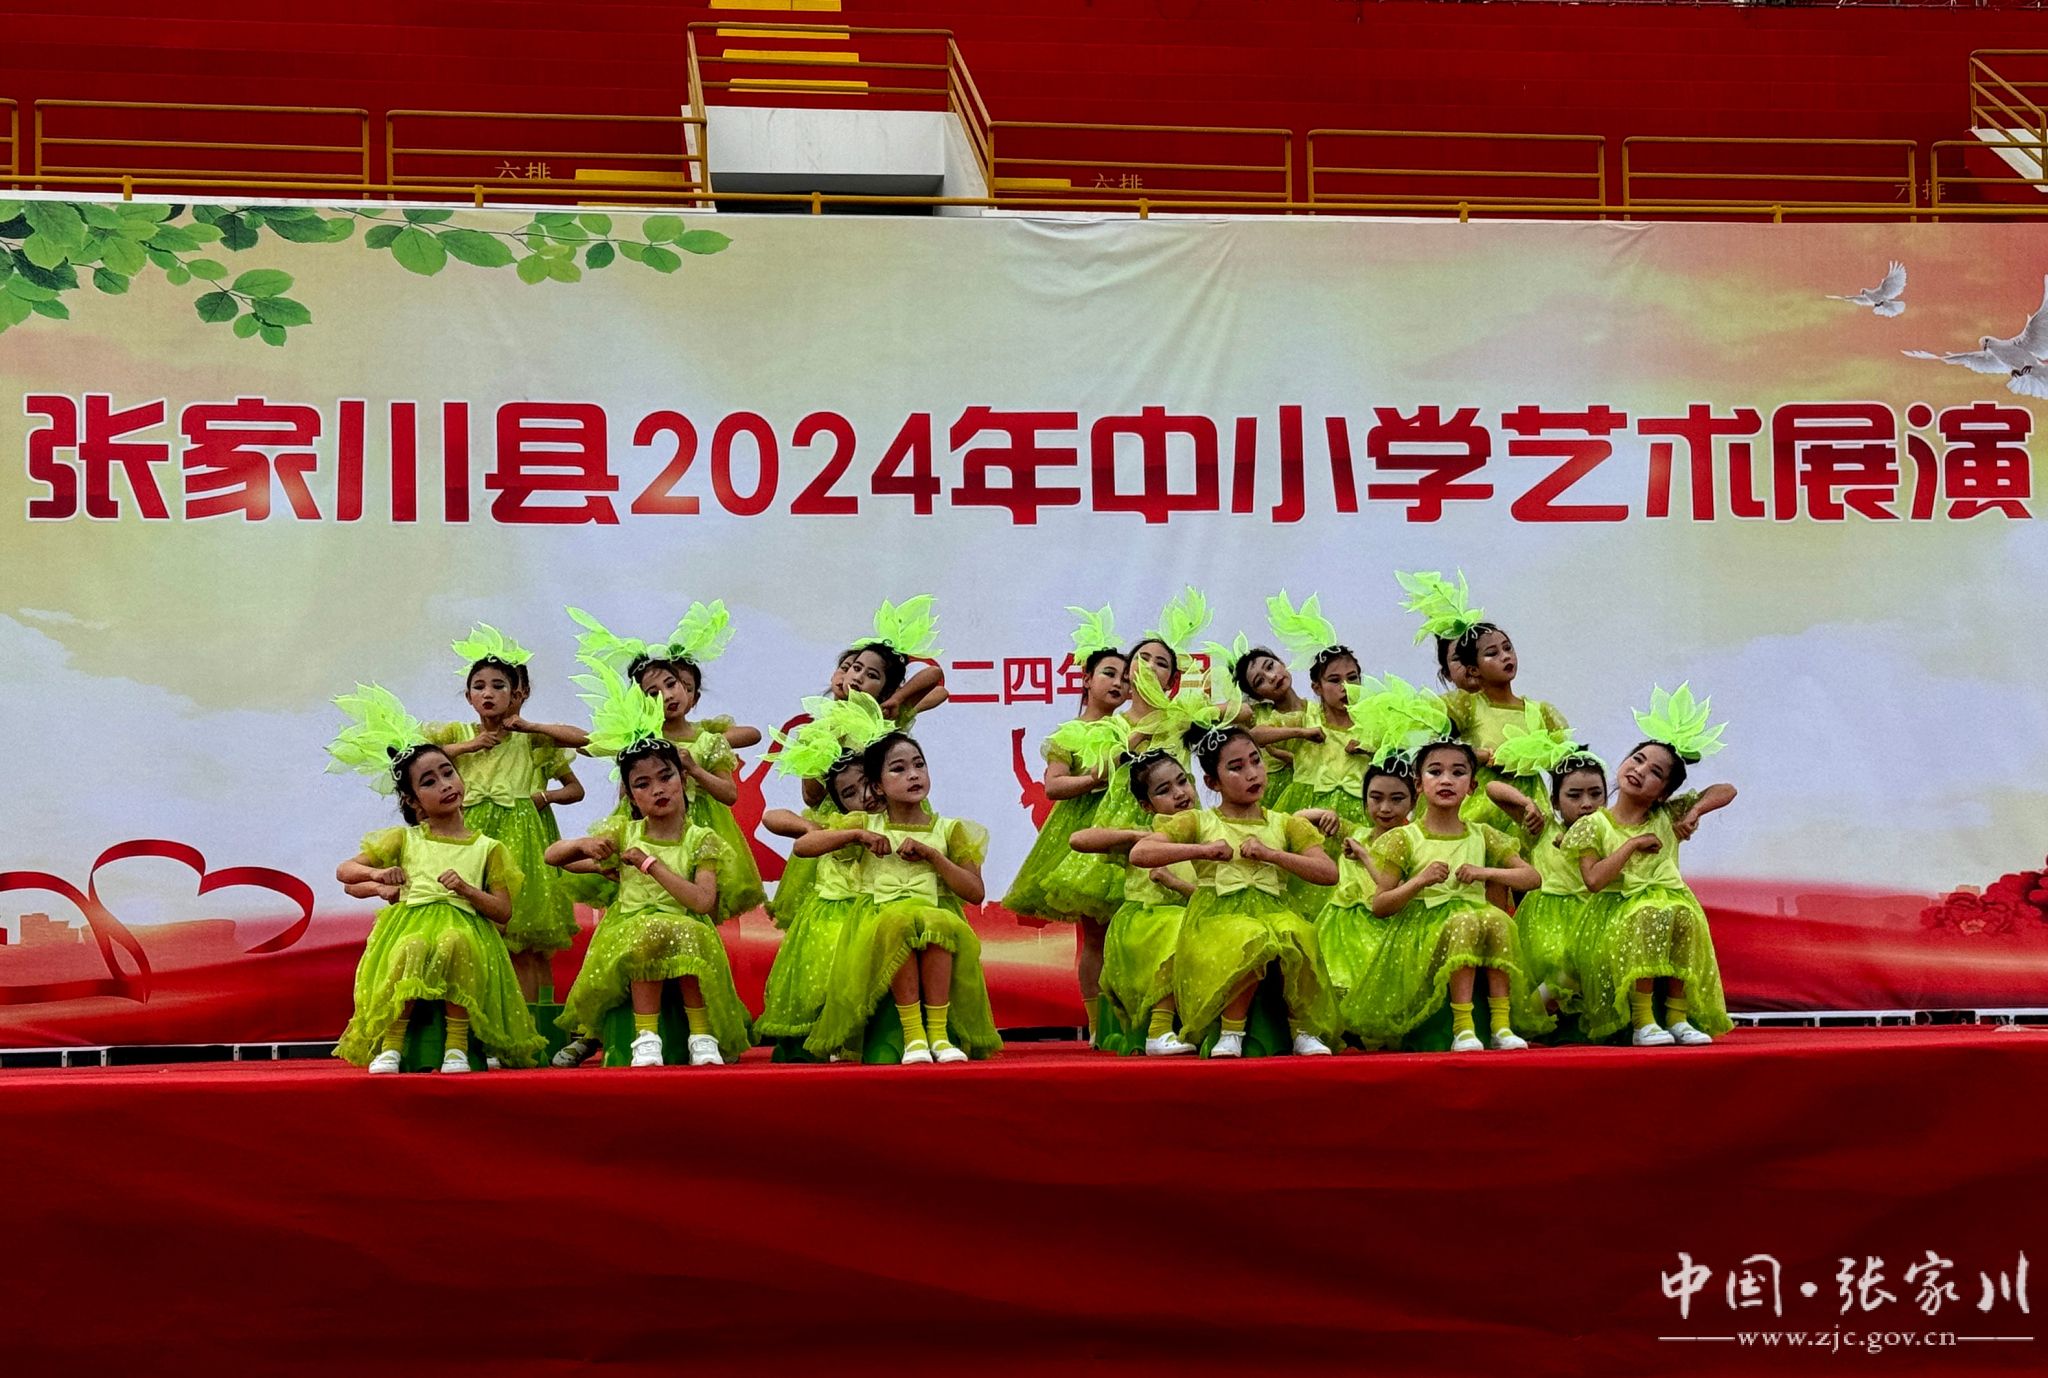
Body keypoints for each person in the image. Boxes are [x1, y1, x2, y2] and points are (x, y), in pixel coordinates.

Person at [327, 685, 543, 1073]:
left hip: (467, 930)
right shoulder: (405, 839)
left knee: (454, 942)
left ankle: (456, 1047)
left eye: (448, 773)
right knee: (411, 946)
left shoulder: (488, 847)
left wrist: (466, 889)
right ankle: (392, 1045)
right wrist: (379, 875)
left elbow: (503, 911)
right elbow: (346, 871)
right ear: (413, 800)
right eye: (428, 782)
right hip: (411, 924)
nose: (444, 784)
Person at [1564, 684, 1737, 1047]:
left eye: (1655, 772)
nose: (1640, 770)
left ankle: (1676, 1017)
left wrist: (1695, 811)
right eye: (1638, 759)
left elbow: (1727, 790)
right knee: (1648, 914)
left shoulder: (1666, 815)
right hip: (1615, 912)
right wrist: (1631, 845)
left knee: (1682, 915)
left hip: (1671, 905)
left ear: (1662, 793)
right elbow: (1593, 880)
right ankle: (1643, 1021)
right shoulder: (1593, 824)